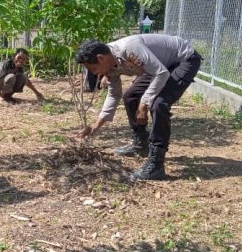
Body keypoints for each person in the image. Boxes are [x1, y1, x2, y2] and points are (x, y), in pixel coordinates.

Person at [75, 34, 202, 181]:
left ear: (101, 58)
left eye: (93, 68)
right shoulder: (109, 65)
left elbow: (161, 73)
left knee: (158, 103)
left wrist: (144, 103)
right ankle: (141, 143)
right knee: (130, 97)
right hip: (158, 65)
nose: (94, 73)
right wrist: (95, 126)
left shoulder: (129, 49)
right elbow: (114, 95)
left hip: (183, 59)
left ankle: (156, 165)